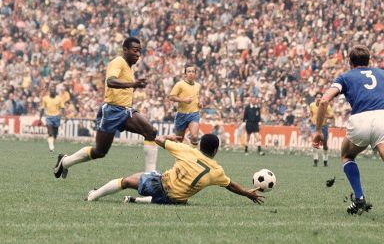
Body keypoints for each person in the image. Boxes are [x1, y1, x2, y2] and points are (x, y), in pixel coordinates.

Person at [312, 45, 384, 219]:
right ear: (369, 61)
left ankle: (359, 198)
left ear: (350, 62)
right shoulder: (382, 74)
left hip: (360, 120)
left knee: (347, 156)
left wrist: (318, 130)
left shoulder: (345, 77)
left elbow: (324, 100)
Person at [54, 37, 159, 178]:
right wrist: (133, 84)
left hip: (126, 111)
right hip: (112, 111)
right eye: (135, 51)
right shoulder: (118, 62)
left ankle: (149, 176)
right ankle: (65, 161)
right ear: (125, 50)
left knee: (151, 132)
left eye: (140, 51)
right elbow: (110, 81)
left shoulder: (129, 66)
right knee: (100, 151)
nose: (138, 54)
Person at [85, 134, 264, 205]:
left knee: (126, 181)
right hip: (175, 200)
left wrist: (169, 138)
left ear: (200, 145)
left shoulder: (186, 149)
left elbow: (158, 140)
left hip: (159, 186)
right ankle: (136, 200)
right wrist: (248, 193)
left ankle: (93, 196)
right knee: (181, 197)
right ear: (216, 151)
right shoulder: (217, 171)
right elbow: (231, 185)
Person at [169, 63, 202, 146]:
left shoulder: (198, 85)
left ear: (195, 74)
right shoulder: (179, 84)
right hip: (181, 115)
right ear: (185, 74)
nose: (191, 73)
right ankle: (180, 157)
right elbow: (171, 97)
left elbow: (197, 96)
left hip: (194, 114)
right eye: (189, 71)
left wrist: (199, 103)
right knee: (179, 140)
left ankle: (192, 156)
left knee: (194, 137)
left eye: (193, 72)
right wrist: (183, 100)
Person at [309, 93, 334, 166]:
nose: (319, 98)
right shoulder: (312, 105)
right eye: (317, 97)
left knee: (324, 144)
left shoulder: (327, 106)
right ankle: (315, 160)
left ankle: (325, 161)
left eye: (320, 97)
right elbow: (311, 113)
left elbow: (332, 116)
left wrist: (324, 116)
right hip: (314, 126)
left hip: (323, 126)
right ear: (315, 98)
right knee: (315, 141)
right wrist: (311, 119)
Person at [39, 85, 65, 153]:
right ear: (49, 91)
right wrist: (40, 118)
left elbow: (62, 108)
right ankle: (51, 146)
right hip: (49, 117)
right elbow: (42, 109)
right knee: (50, 132)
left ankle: (52, 143)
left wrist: (63, 116)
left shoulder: (59, 99)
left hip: (57, 117)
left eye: (54, 90)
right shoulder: (45, 98)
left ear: (55, 91)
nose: (52, 91)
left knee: (55, 134)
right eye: (51, 90)